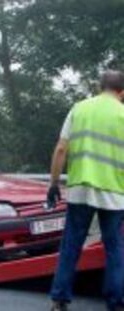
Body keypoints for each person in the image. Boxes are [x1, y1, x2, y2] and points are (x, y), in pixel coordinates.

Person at [48, 70, 124, 311]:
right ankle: (115, 303)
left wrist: (53, 184)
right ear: (122, 92)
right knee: (114, 248)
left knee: (71, 244)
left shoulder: (79, 108)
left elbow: (61, 149)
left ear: (100, 87)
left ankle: (60, 300)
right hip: (113, 192)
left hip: (80, 188)